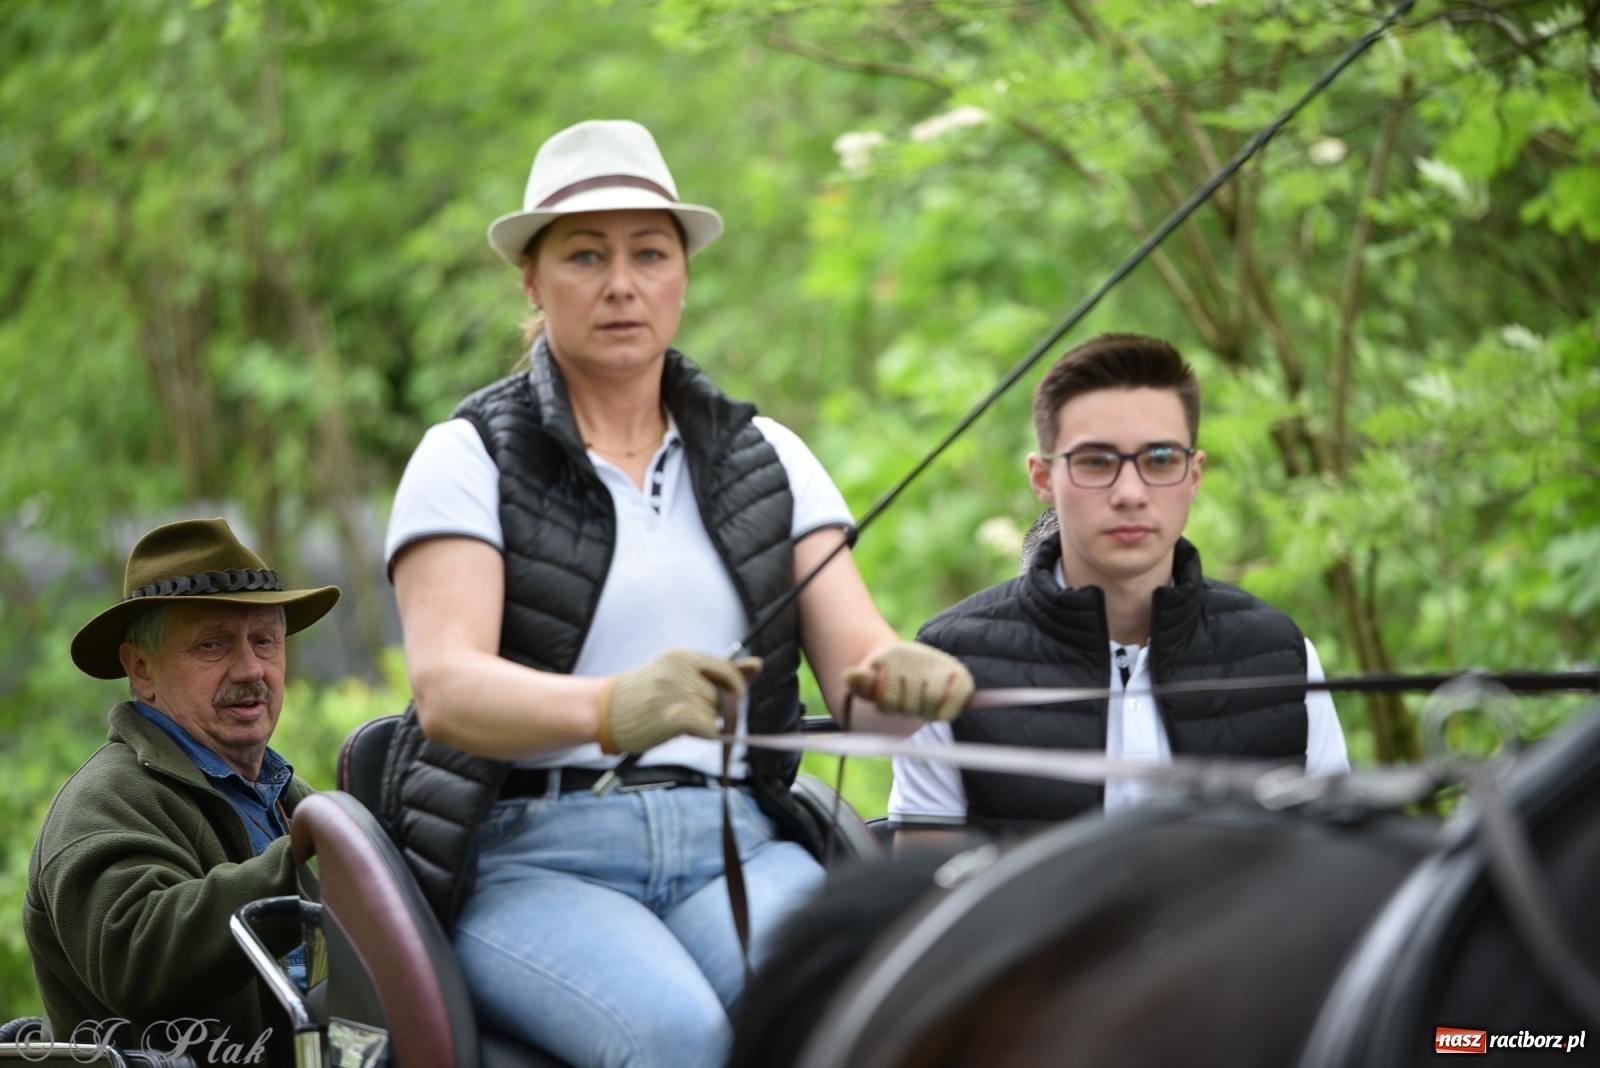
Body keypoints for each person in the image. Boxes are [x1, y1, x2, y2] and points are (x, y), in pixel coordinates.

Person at [379, 118, 973, 1067]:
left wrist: (904, 679)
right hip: (536, 857)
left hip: (737, 839)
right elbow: (447, 689)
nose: (622, 283)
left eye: (649, 253)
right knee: (677, 1041)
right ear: (531, 281)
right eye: (584, 255)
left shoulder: (771, 458)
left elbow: (861, 669)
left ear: (682, 276)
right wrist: (615, 706)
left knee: (867, 1012)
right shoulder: (466, 457)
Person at [889, 333, 1348, 838]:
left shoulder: (1281, 656)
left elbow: (1334, 870)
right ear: (1042, 478)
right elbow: (931, 897)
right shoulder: (952, 663)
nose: (1130, 493)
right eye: (1095, 462)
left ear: (1194, 474)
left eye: (1159, 459)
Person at [25, 517, 339, 1064]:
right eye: (213, 644)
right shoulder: (103, 801)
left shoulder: (290, 799)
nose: (251, 669)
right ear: (141, 670)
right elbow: (136, 955)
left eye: (265, 641)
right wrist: (318, 859)